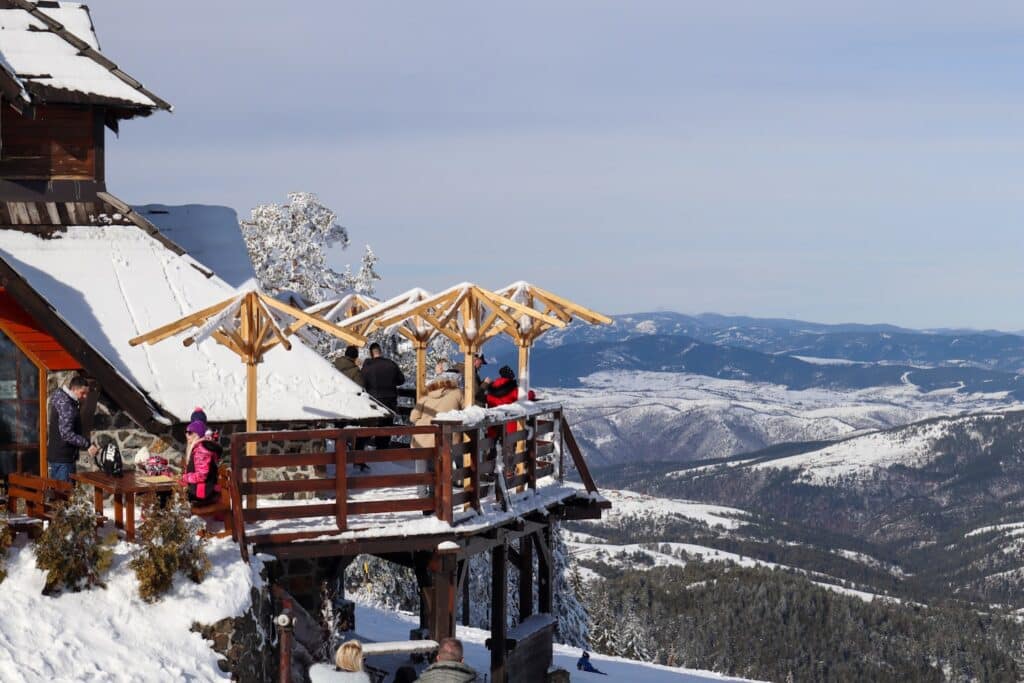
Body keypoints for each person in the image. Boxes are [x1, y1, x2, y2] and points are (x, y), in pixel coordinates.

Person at [409, 364, 463, 498]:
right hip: (444, 439)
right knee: (437, 469)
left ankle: (422, 498)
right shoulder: (457, 394)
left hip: (422, 438)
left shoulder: (426, 397)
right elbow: (466, 412)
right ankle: (435, 497)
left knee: (421, 470)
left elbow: (413, 417)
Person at [47, 375, 98, 481]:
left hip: (58, 456)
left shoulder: (62, 397)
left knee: (58, 494)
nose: (84, 397)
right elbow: (66, 434)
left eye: (86, 394)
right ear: (74, 389)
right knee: (65, 495)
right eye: (82, 393)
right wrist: (87, 444)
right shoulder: (67, 405)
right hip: (63, 459)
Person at [361, 342, 406, 450]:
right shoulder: (391, 364)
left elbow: (362, 383)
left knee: (372, 426)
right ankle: (383, 450)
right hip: (390, 401)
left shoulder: (367, 367)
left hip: (374, 401)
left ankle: (371, 449)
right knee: (387, 426)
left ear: (371, 353)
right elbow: (401, 380)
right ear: (380, 351)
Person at [181, 419, 222, 505]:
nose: (186, 435)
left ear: (198, 434)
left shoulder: (201, 450)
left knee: (169, 495)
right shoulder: (199, 447)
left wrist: (184, 477)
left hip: (202, 493)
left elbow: (201, 476)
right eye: (186, 432)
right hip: (203, 490)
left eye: (190, 432)